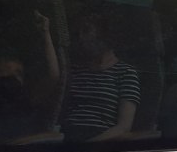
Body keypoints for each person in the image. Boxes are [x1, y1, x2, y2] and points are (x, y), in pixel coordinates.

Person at [55, 15, 140, 143]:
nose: (81, 38)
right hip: (67, 137)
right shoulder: (75, 70)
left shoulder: (125, 72)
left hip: (102, 140)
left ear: (104, 36)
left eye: (87, 31)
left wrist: (88, 146)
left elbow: (123, 127)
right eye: (79, 32)